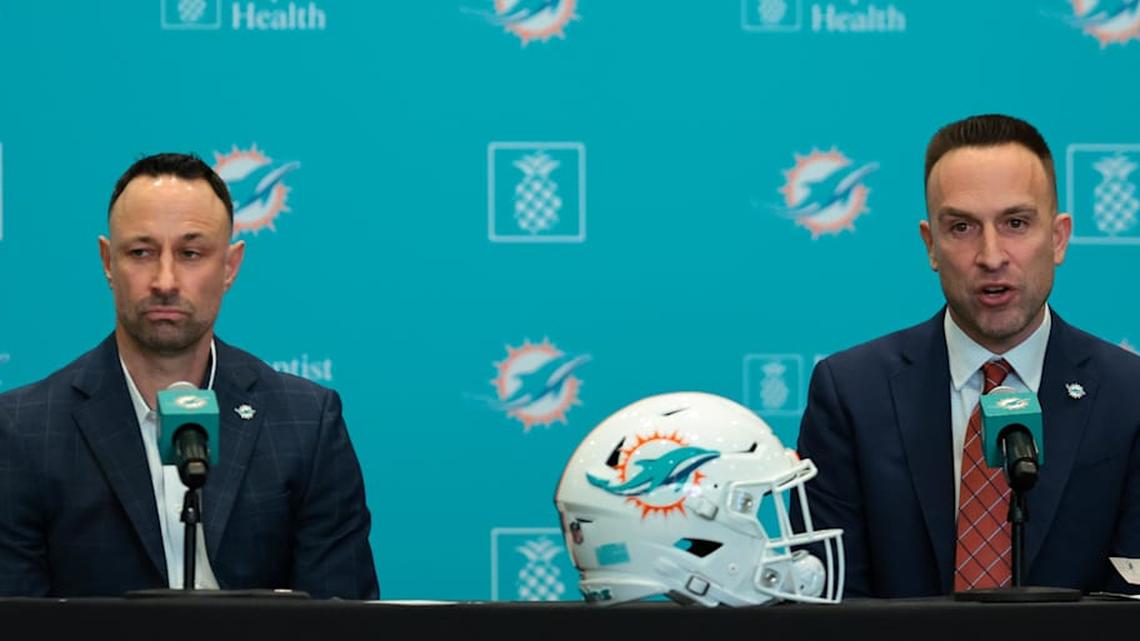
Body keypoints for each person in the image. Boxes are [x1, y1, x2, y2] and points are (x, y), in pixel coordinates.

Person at [791, 114, 1140, 598]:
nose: (991, 255)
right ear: (930, 244)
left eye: (1016, 223)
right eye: (961, 227)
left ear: (1058, 238)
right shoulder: (852, 393)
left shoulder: (1129, 395)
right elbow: (832, 599)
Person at [0, 153, 378, 598]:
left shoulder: (307, 422)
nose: (165, 279)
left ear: (230, 266)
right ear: (107, 261)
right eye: (141, 252)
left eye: (191, 253)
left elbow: (343, 620)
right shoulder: (23, 430)